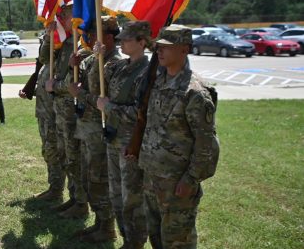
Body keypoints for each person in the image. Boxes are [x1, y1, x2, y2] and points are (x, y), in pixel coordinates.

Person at [137, 25, 220, 249]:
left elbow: (207, 143)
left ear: (184, 49)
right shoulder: (158, 82)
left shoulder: (195, 92)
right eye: (158, 48)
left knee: (177, 241)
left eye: (166, 47)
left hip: (177, 183)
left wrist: (191, 179)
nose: (159, 52)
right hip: (153, 177)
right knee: (156, 237)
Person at [67, 16, 123, 242]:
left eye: (93, 35)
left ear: (108, 37)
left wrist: (79, 94)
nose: (88, 38)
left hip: (100, 132)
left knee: (99, 180)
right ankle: (100, 222)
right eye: (88, 35)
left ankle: (107, 227)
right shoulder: (97, 59)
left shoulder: (115, 64)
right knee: (89, 178)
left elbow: (105, 101)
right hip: (87, 129)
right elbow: (84, 70)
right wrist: (75, 63)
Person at [96, 20, 152, 249]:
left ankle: (136, 241)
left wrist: (109, 108)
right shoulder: (120, 66)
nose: (121, 43)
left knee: (132, 198)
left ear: (142, 42)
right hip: (114, 139)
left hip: (131, 144)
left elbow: (141, 113)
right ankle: (126, 238)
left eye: (127, 40)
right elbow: (99, 80)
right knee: (116, 194)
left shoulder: (148, 73)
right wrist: (99, 55)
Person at [46, 3, 88, 217]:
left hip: (71, 111)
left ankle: (80, 202)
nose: (61, 16)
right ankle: (73, 198)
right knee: (65, 155)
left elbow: (75, 84)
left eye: (65, 14)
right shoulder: (64, 42)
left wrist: (56, 87)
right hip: (61, 110)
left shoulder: (80, 45)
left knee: (74, 158)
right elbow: (47, 60)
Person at [19, 30, 65, 203]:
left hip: (53, 116)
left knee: (53, 152)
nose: (42, 46)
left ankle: (56, 190)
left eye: (45, 42)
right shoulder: (46, 65)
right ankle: (53, 188)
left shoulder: (56, 64)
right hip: (43, 114)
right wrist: (29, 90)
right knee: (47, 151)